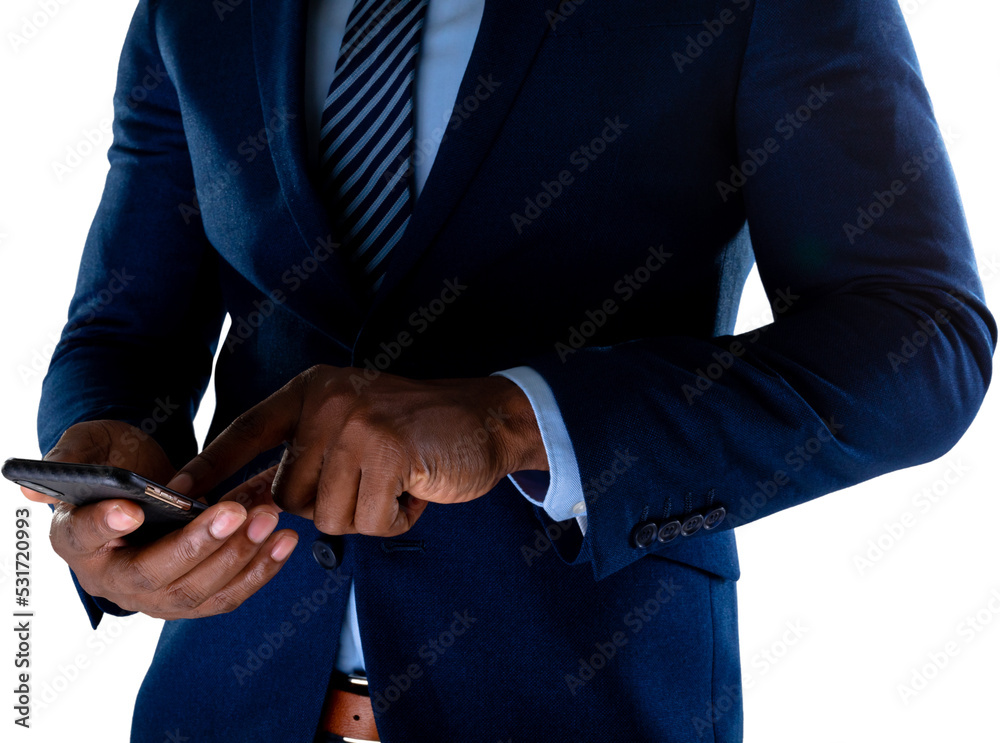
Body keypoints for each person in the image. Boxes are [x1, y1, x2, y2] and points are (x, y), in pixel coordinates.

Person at [20, 0, 995, 740]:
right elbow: (122, 330)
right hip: (220, 702)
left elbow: (919, 339)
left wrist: (512, 420)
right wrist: (111, 477)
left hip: (582, 698)